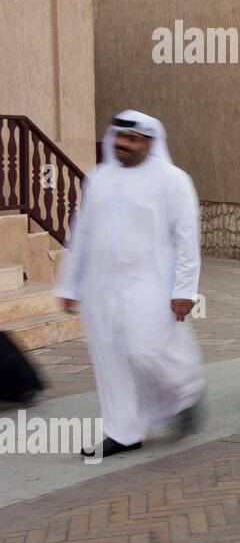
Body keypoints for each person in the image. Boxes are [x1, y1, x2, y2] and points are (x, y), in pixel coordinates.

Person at [55, 111, 204, 457]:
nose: (122, 144)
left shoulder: (173, 180)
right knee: (110, 358)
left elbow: (186, 238)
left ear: (150, 143)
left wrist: (184, 290)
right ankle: (123, 432)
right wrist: (69, 286)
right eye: (119, 137)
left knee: (146, 350)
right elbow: (83, 234)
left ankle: (184, 392)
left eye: (132, 139)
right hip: (101, 288)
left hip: (150, 284)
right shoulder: (99, 178)